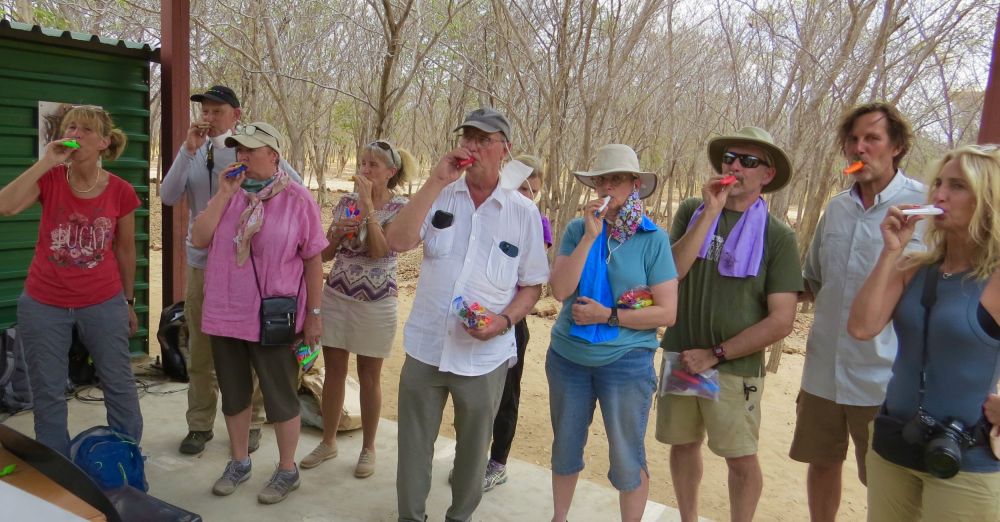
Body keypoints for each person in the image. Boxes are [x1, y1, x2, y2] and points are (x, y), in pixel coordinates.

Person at [385, 107, 549, 522]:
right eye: (468, 137)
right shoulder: (440, 192)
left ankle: (459, 517)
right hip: (426, 346)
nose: (472, 146)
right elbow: (397, 240)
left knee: (473, 454)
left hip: (483, 358)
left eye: (483, 139)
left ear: (504, 150)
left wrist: (503, 321)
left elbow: (532, 286)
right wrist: (436, 179)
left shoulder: (523, 212)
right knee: (414, 447)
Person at [848, 144, 1000, 521]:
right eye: (939, 184)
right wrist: (890, 251)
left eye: (958, 186)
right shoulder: (912, 266)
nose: (940, 195)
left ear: (989, 199)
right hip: (895, 445)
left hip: (966, 458)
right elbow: (862, 327)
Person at [657, 127, 802, 522]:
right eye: (729, 159)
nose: (735, 166)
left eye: (748, 161)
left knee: (740, 457)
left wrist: (716, 355)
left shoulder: (779, 237)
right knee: (683, 444)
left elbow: (782, 320)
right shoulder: (693, 211)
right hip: (683, 355)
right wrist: (711, 213)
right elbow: (670, 273)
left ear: (766, 174)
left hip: (733, 368)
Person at [791, 103, 925, 521]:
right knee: (822, 463)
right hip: (822, 370)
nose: (859, 148)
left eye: (872, 139)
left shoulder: (923, 207)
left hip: (885, 377)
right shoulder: (837, 208)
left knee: (885, 479)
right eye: (852, 139)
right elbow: (811, 282)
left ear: (897, 147)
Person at [162, 85, 302, 455]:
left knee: (248, 346)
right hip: (202, 265)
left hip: (245, 268)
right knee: (202, 350)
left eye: (217, 112)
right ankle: (199, 423)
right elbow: (167, 194)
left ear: (236, 114)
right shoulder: (194, 150)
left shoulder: (247, 149)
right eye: (205, 111)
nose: (208, 118)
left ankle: (253, 419)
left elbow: (292, 184)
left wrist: (246, 153)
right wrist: (187, 149)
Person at [191, 122, 326, 505]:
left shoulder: (298, 199)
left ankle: (287, 469)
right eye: (238, 150)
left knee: (280, 394)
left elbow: (313, 260)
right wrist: (222, 195)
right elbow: (200, 239)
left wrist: (314, 314)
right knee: (233, 393)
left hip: (273, 316)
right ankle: (239, 461)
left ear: (274, 154)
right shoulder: (228, 195)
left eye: (251, 150)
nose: (242, 156)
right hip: (225, 310)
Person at [0, 105, 142, 456]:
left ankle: (125, 456)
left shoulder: (121, 191)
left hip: (104, 300)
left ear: (104, 142)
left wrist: (128, 302)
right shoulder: (49, 178)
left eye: (85, 129)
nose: (75, 134)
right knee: (46, 389)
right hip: (43, 302)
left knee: (118, 382)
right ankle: (58, 470)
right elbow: (6, 206)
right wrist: (46, 161)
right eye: (70, 127)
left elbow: (125, 251)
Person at [547, 144, 678, 522]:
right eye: (602, 179)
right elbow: (559, 291)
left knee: (626, 455)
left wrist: (609, 316)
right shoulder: (577, 229)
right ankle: (559, 517)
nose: (607, 186)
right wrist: (590, 237)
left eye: (617, 179)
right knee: (566, 447)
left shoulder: (652, 239)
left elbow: (666, 311)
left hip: (627, 361)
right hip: (568, 357)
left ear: (635, 184)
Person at [299, 140, 412, 477]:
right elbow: (325, 254)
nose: (365, 170)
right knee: (333, 370)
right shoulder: (347, 203)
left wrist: (369, 208)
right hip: (337, 295)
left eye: (373, 165)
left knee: (369, 375)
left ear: (390, 173)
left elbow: (380, 251)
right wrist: (336, 232)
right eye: (363, 163)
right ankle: (328, 441)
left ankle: (368, 448)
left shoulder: (401, 209)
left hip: (377, 302)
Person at [480, 153, 553, 492]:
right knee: (476, 395)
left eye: (533, 191)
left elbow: (529, 276)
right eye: (522, 188)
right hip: (480, 318)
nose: (527, 196)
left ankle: (498, 462)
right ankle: (472, 458)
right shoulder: (488, 213)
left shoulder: (537, 222)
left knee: (507, 394)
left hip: (513, 321)